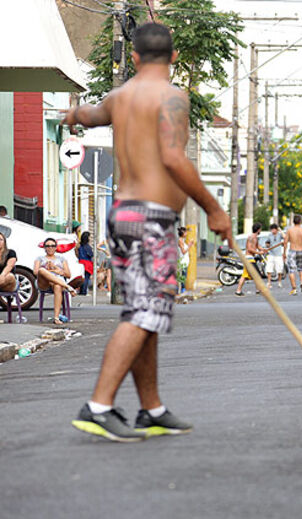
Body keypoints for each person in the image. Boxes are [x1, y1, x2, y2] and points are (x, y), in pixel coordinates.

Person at [63, 22, 232, 442]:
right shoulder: (172, 97)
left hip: (123, 215)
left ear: (135, 57)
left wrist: (73, 115)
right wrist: (214, 209)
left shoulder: (120, 96)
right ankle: (98, 406)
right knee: (144, 312)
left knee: (146, 311)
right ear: (173, 57)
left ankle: (151, 408)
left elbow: (91, 114)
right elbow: (173, 158)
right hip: (150, 219)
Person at [35, 237, 79, 324]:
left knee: (57, 286)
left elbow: (68, 274)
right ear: (44, 248)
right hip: (44, 282)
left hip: (58, 282)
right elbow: (36, 272)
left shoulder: (61, 259)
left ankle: (56, 317)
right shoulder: (40, 258)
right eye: (47, 246)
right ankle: (68, 287)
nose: (50, 248)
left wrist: (56, 270)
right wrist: (47, 270)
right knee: (41, 270)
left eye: (52, 246)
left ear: (56, 247)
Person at [283, 214, 302, 295]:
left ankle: (294, 288)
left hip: (292, 251)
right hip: (301, 251)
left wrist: (284, 253)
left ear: (293, 221)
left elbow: (285, 242)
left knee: (291, 270)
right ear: (300, 221)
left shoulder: (289, 230)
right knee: (301, 268)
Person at [235, 223, 264, 296]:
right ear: (258, 230)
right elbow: (249, 249)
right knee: (257, 274)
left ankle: (238, 291)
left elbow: (257, 246)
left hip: (250, 258)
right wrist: (259, 253)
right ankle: (258, 290)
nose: (261, 230)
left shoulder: (255, 237)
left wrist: (263, 250)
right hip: (249, 259)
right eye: (260, 229)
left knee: (244, 276)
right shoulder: (251, 237)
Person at [265, 223, 285, 288]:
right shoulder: (269, 235)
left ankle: (279, 282)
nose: (272, 231)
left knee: (279, 269)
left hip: (278, 255)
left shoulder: (279, 235)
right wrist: (267, 245)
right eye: (272, 229)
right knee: (269, 268)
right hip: (271, 254)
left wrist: (280, 230)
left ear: (276, 229)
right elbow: (267, 243)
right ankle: (269, 282)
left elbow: (285, 237)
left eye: (274, 229)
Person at [176, 227, 194, 293]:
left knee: (183, 275)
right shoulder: (180, 241)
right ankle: (182, 289)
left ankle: (181, 289)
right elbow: (183, 252)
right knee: (183, 276)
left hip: (185, 261)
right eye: (185, 232)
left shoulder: (182, 240)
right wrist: (189, 246)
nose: (186, 234)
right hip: (182, 261)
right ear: (183, 233)